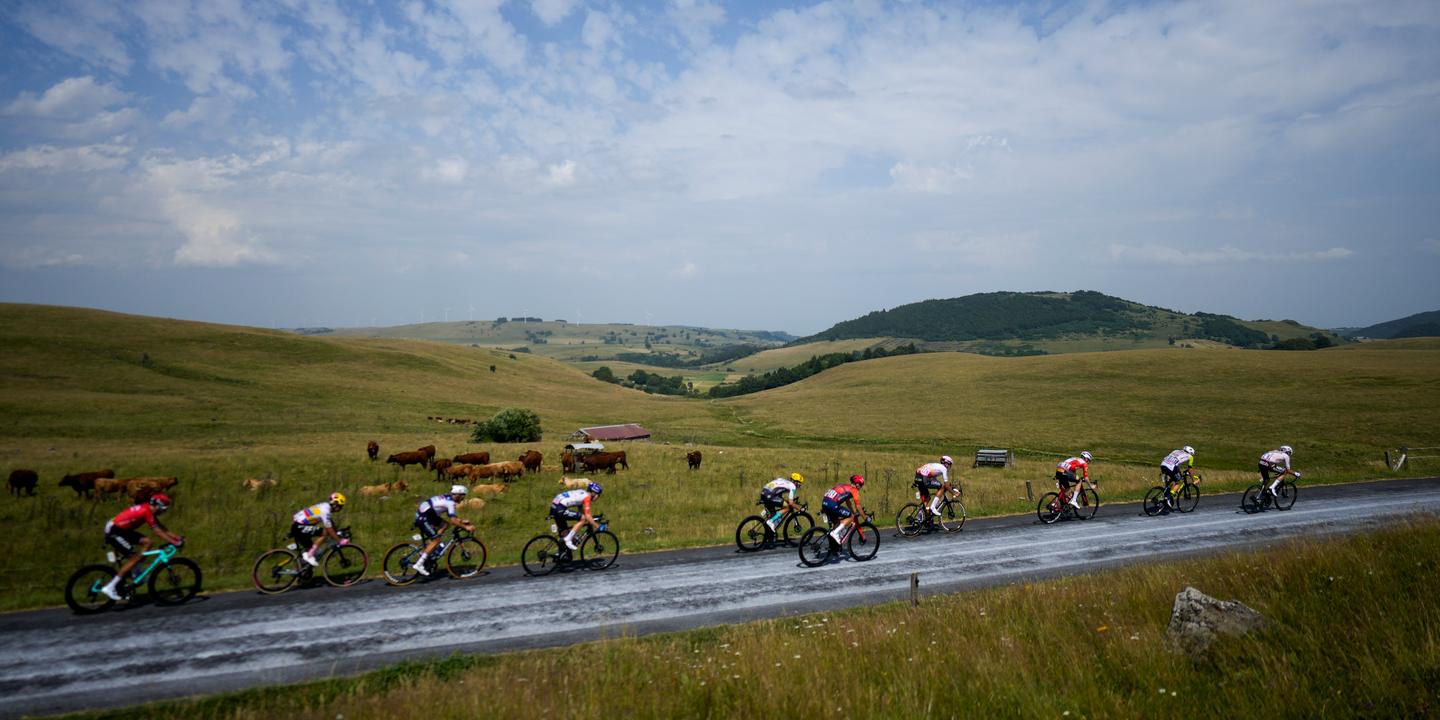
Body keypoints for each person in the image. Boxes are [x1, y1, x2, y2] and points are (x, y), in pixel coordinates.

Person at [100, 493, 184, 601]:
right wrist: (175, 543)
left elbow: (162, 528)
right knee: (134, 558)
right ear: (158, 506)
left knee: (148, 542)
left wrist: (177, 538)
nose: (164, 511)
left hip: (121, 530)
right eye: (164, 509)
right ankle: (110, 587)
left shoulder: (148, 508)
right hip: (115, 531)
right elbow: (158, 532)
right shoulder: (147, 511)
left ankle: (136, 571)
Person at [412, 485, 474, 576]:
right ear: (458, 494)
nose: (463, 498)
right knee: (436, 540)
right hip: (424, 516)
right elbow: (453, 521)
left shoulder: (447, 497)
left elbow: (452, 518)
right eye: (463, 496)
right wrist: (466, 527)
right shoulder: (450, 503)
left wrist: (461, 521)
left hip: (428, 514)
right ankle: (419, 564)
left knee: (445, 525)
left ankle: (433, 546)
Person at [291, 492, 348, 567]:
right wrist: (339, 541)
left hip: (298, 525)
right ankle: (309, 555)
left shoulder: (325, 506)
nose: (340, 508)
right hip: (300, 526)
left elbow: (330, 522)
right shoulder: (325, 511)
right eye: (340, 506)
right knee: (325, 533)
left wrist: (336, 532)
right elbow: (329, 528)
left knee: (309, 549)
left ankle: (302, 570)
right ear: (334, 504)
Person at [552, 482, 602, 551]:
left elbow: (581, 510)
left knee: (564, 532)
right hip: (560, 508)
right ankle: (568, 539)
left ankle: (560, 553)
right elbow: (586, 516)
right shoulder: (587, 497)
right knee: (583, 519)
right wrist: (597, 526)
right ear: (594, 493)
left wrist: (590, 519)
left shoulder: (582, 492)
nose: (598, 497)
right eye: (598, 495)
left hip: (555, 505)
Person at [821, 475, 867, 545]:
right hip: (832, 504)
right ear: (857, 484)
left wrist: (853, 512)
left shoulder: (846, 486)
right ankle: (835, 533)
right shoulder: (854, 490)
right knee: (851, 517)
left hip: (825, 503)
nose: (861, 487)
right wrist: (865, 518)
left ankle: (834, 547)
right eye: (861, 485)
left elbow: (848, 502)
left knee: (837, 523)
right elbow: (858, 506)